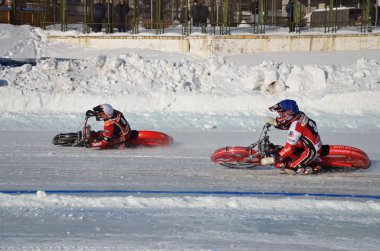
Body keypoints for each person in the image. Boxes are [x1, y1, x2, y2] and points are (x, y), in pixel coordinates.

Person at [261, 99, 322, 175]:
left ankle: (315, 168)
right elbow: (287, 124)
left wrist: (274, 159)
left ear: (289, 113)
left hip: (311, 150)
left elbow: (289, 148)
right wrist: (276, 123)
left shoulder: (296, 127)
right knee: (281, 153)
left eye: (282, 114)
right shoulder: (299, 115)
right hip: (304, 143)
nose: (280, 116)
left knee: (291, 169)